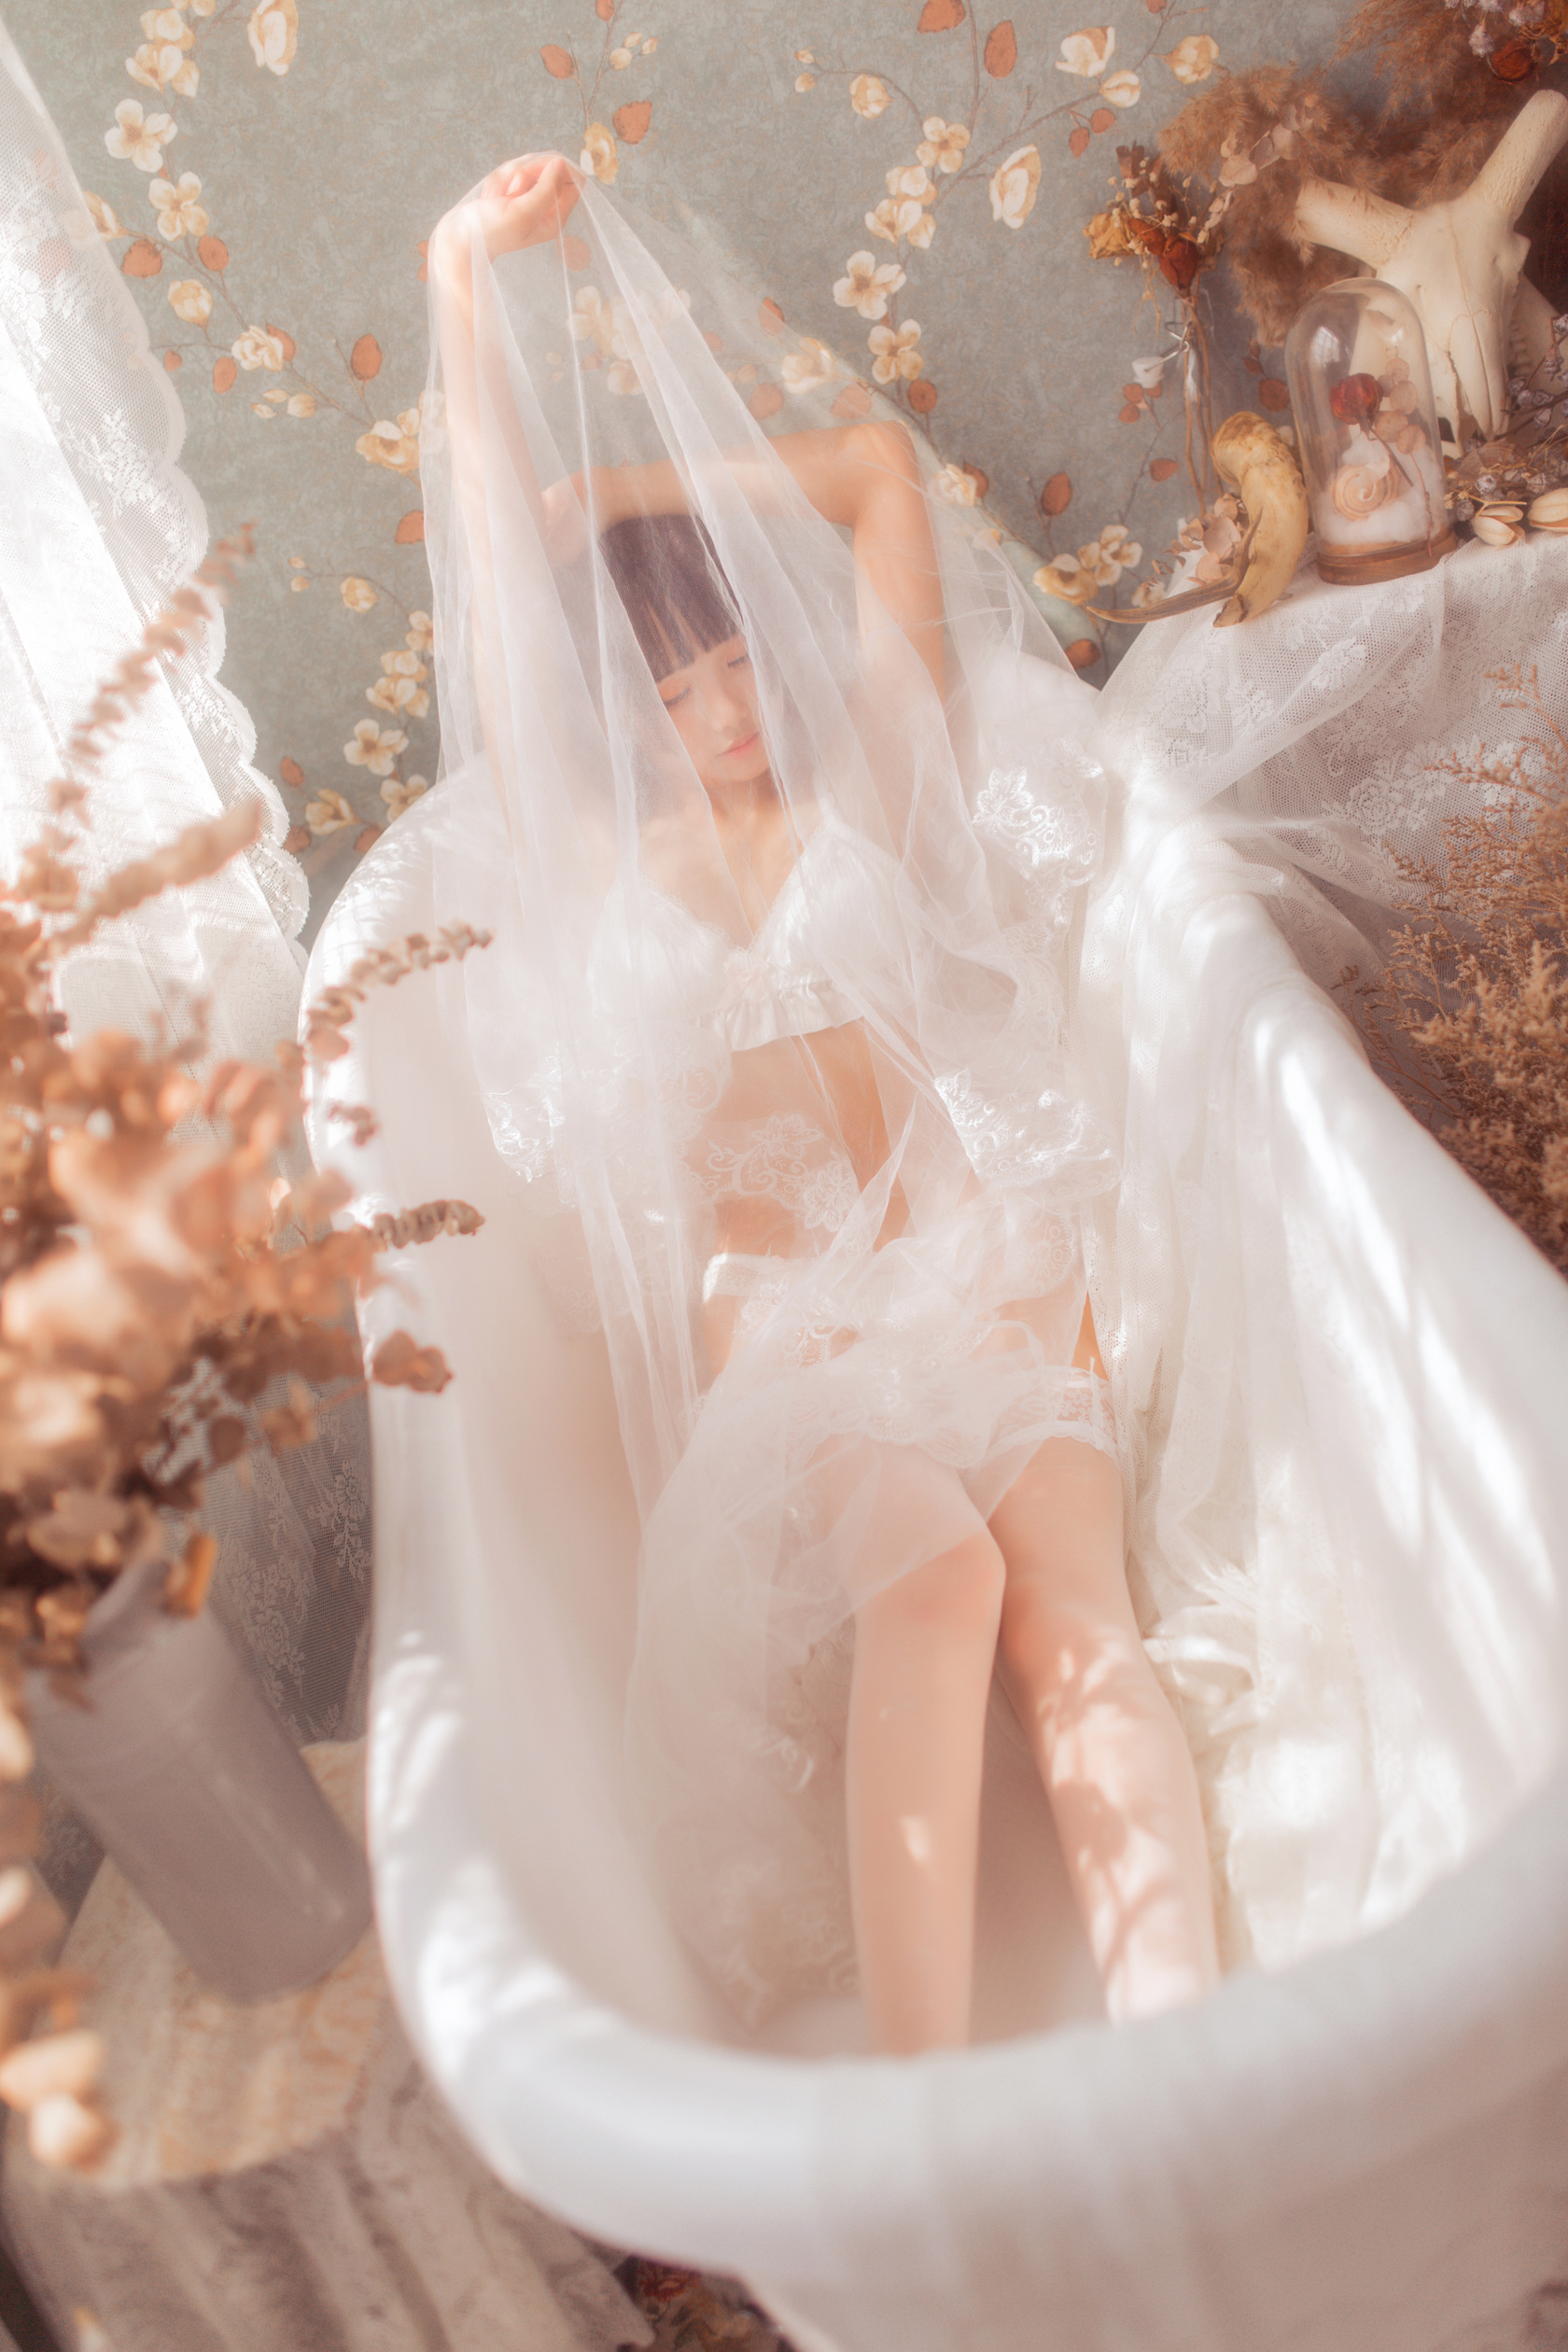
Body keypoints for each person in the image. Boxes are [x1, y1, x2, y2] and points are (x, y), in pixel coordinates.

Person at [424, 153, 1218, 2051]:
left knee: (1073, 1619)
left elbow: (867, 474)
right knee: (933, 1581)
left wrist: (626, 498)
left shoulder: (869, 770)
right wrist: (461, 279)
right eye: (676, 689)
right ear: (621, 714)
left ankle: (1191, 2054)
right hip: (788, 1318)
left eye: (733, 664)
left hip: (982, 1248)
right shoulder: (589, 853)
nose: (725, 711)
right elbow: (498, 585)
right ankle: (929, 2100)